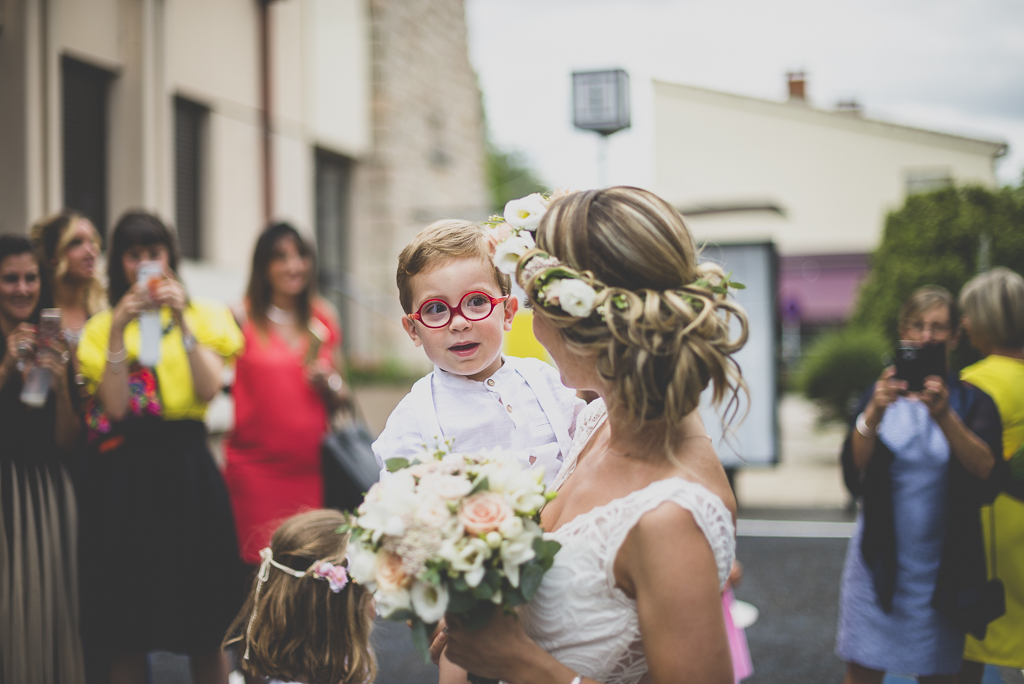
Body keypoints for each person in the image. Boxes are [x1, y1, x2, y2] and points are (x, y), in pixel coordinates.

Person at [434, 187, 745, 684]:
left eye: (535, 309)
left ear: (583, 325)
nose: (532, 331)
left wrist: (517, 661)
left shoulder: (669, 517)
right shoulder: (601, 422)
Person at [76, 211, 245, 684]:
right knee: (128, 626)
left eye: (155, 252)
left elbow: (210, 389)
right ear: (120, 263)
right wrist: (117, 328)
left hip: (189, 467)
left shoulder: (204, 313)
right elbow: (114, 408)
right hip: (128, 477)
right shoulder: (101, 326)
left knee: (204, 625)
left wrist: (180, 320)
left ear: (171, 257)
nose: (146, 263)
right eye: (135, 254)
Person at [835, 286, 1004, 684]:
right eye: (918, 325)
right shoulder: (877, 396)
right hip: (878, 563)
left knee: (940, 672)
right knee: (861, 670)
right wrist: (874, 412)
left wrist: (944, 415)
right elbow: (853, 467)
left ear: (955, 336)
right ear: (902, 333)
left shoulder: (971, 401)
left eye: (939, 327)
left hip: (944, 570)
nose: (927, 336)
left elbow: (986, 470)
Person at [373, 219, 585, 485]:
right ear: (414, 330)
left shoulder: (546, 381)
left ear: (507, 313)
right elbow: (402, 504)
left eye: (476, 301)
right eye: (436, 309)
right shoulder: (412, 420)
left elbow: (590, 451)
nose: (459, 322)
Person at [224, 222, 349, 567]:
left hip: (312, 470)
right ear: (263, 266)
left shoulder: (324, 316)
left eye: (301, 256)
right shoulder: (239, 316)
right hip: (255, 471)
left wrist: (331, 383)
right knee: (260, 571)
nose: (294, 266)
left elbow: (343, 392)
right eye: (280, 257)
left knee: (309, 572)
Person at [0, 235, 86, 684]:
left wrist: (60, 390)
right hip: (4, 491)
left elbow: (68, 441)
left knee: (45, 610)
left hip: (48, 494)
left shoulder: (56, 345)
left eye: (30, 277)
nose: (21, 288)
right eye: (9, 278)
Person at [957, 268, 1024, 683]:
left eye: (967, 314)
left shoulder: (971, 385)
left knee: (971, 649)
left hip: (989, 539)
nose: (963, 324)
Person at [222, 509, 377, 684]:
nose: (376, 606)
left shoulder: (341, 655)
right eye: (370, 593)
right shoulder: (341, 666)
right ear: (338, 611)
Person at [30, 210, 106, 350]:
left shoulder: (103, 310)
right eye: (76, 243)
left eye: (93, 241)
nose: (91, 251)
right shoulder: (35, 314)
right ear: (53, 256)